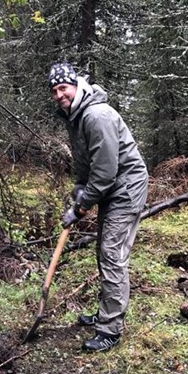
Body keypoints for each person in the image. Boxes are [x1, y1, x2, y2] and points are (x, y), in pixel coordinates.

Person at [48, 62, 148, 352]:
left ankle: (110, 329)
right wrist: (79, 186)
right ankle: (107, 313)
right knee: (105, 249)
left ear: (77, 86)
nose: (58, 94)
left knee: (112, 254)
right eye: (54, 90)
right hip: (112, 187)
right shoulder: (75, 117)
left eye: (63, 87)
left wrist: (80, 208)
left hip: (125, 188)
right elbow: (83, 161)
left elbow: (104, 174)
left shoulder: (96, 115)